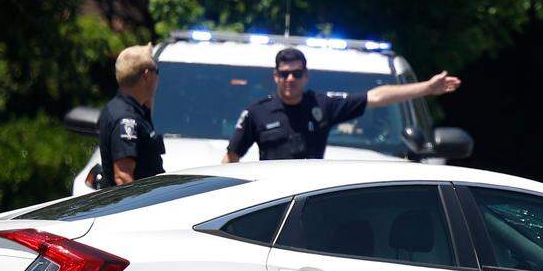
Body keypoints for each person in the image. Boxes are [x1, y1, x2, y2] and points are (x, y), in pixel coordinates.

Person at [222, 47, 461, 162]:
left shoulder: (322, 105)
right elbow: (231, 158)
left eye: (296, 73)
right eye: (284, 74)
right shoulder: (257, 112)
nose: (290, 79)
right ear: (275, 76)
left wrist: (428, 88)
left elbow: (377, 97)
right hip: (268, 199)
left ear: (306, 76)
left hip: (311, 197)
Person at [98, 44, 164, 186]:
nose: (159, 78)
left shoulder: (134, 110)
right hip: (140, 205)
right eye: (157, 71)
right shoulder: (126, 119)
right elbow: (123, 177)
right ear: (146, 76)